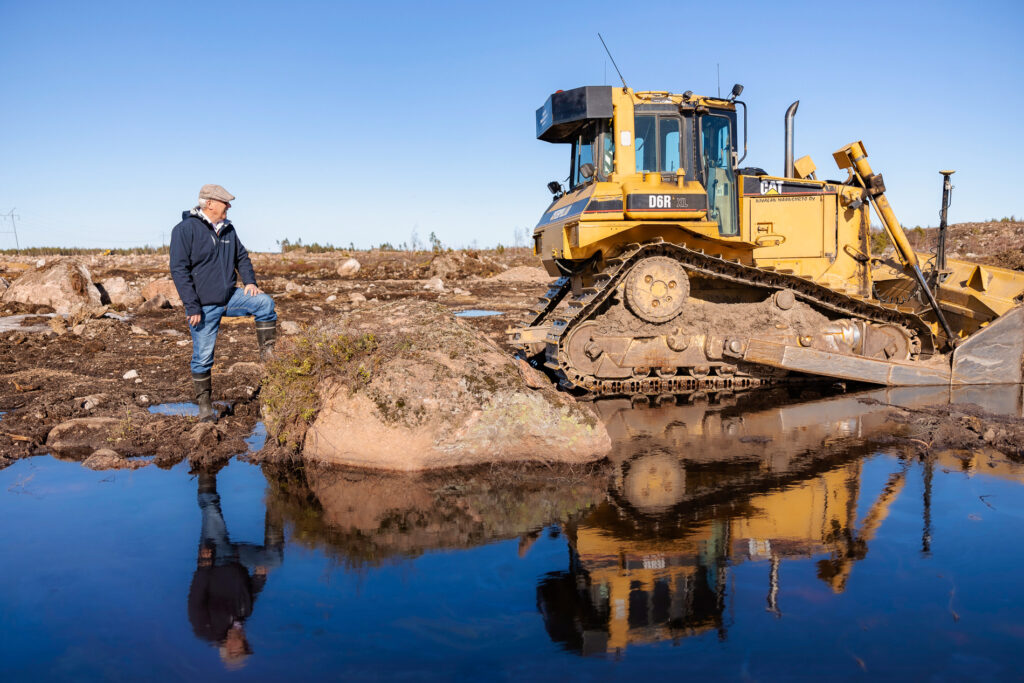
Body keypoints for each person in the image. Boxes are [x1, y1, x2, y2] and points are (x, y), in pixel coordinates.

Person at [170, 184, 277, 423]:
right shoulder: (184, 230)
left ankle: (268, 358)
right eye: (225, 202)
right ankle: (205, 406)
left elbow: (242, 256)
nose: (229, 206)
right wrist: (192, 306)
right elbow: (178, 270)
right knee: (203, 356)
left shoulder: (228, 228)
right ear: (209, 204)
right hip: (203, 305)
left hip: (230, 297)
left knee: (264, 304)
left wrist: (249, 281)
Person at [187, 471, 285, 670]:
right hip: (239, 560)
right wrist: (259, 577)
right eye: (245, 645)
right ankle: (278, 503)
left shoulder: (206, 629)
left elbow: (196, 597)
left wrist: (204, 567)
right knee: (274, 560)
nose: (243, 642)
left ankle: (206, 465)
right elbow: (251, 593)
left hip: (215, 558)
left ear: (229, 649)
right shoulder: (243, 616)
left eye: (240, 648)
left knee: (211, 509)